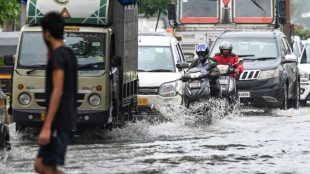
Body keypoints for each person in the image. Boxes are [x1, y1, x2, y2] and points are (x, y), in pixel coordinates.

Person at [34, 12, 77, 174]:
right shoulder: (69, 54)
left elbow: (57, 90)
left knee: (46, 167)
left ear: (46, 33)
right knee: (41, 165)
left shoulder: (58, 56)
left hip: (58, 121)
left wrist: (47, 126)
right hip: (64, 119)